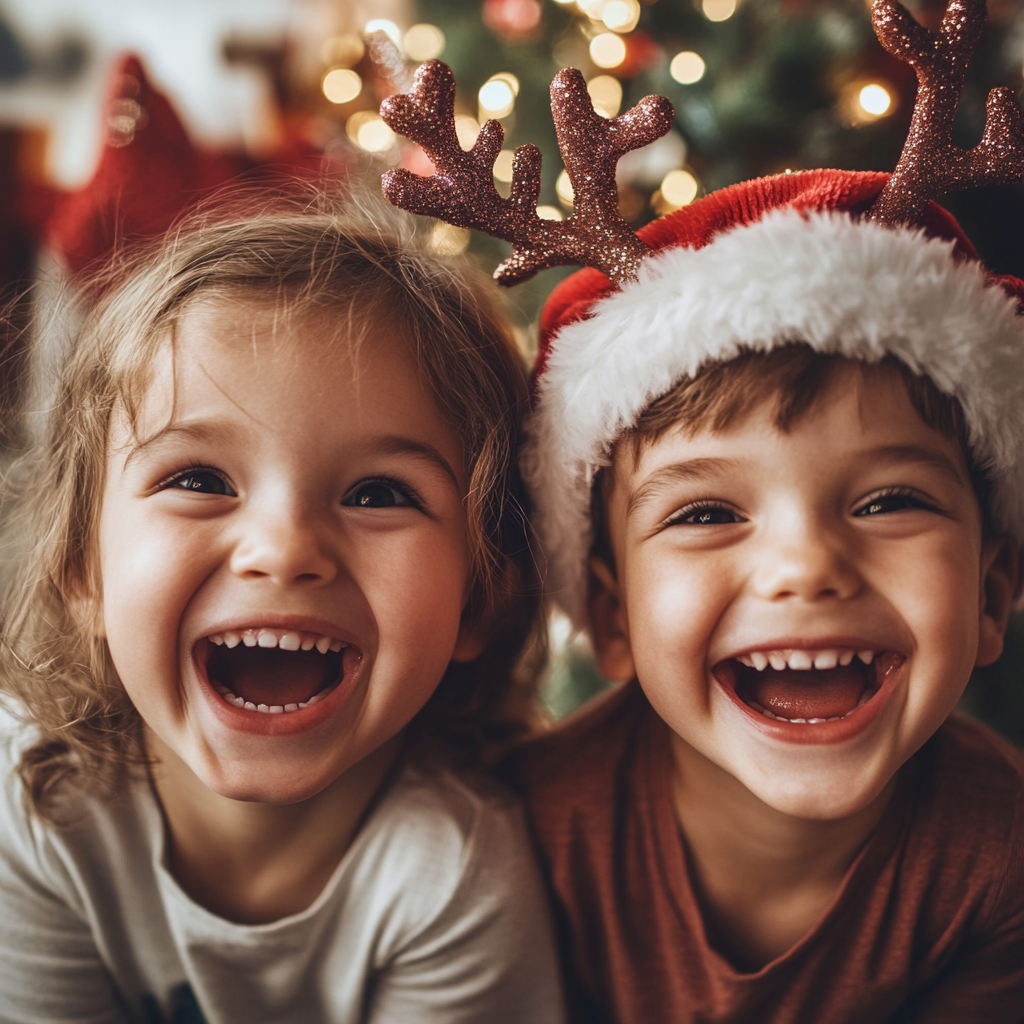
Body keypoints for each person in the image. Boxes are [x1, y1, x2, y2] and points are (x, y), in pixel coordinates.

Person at [375, 1, 1024, 1019]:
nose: (803, 568)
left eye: (889, 499)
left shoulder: (998, 856)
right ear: (611, 612)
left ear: (992, 593)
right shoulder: (523, 830)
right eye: (707, 514)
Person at [0, 195, 566, 1024]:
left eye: (379, 494)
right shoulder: (29, 806)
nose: (284, 548)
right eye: (198, 480)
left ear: (481, 596)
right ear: (81, 567)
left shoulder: (456, 872)